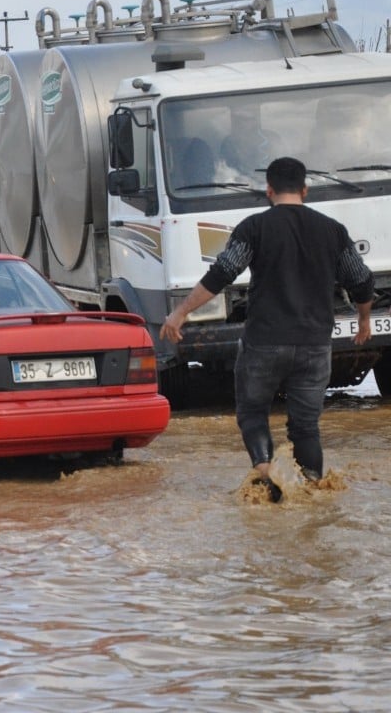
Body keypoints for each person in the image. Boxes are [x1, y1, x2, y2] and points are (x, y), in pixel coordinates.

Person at [159, 157, 374, 487]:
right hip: (315, 344)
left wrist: (180, 312)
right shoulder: (332, 230)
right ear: (305, 189)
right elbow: (360, 280)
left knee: (253, 412)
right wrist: (363, 320)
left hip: (264, 343)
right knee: (305, 426)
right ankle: (315, 486)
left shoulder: (254, 228)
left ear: (269, 190)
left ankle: (263, 471)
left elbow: (222, 274)